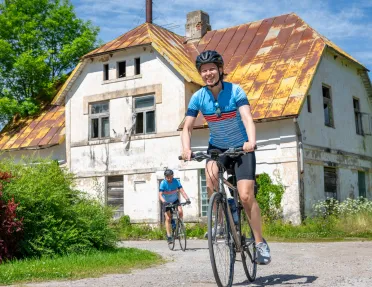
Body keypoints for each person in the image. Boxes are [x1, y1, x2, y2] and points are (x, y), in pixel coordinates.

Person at [181, 50, 271, 265]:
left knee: (246, 195)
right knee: (211, 176)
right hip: (218, 148)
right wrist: (186, 148)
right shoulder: (198, 97)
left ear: (220, 70)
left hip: (241, 149)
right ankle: (220, 219)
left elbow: (247, 118)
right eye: (204, 71)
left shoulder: (235, 91)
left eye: (212, 69)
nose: (208, 73)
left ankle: (260, 243)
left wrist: (251, 141)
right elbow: (186, 127)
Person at [159, 169, 191, 244]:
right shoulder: (163, 183)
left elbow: (182, 191)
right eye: (167, 177)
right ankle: (169, 236)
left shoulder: (176, 181)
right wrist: (164, 202)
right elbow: (160, 195)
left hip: (175, 200)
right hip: (166, 202)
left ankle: (179, 226)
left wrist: (187, 199)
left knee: (180, 212)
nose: (169, 179)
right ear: (165, 177)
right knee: (168, 218)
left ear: (173, 176)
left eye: (170, 177)